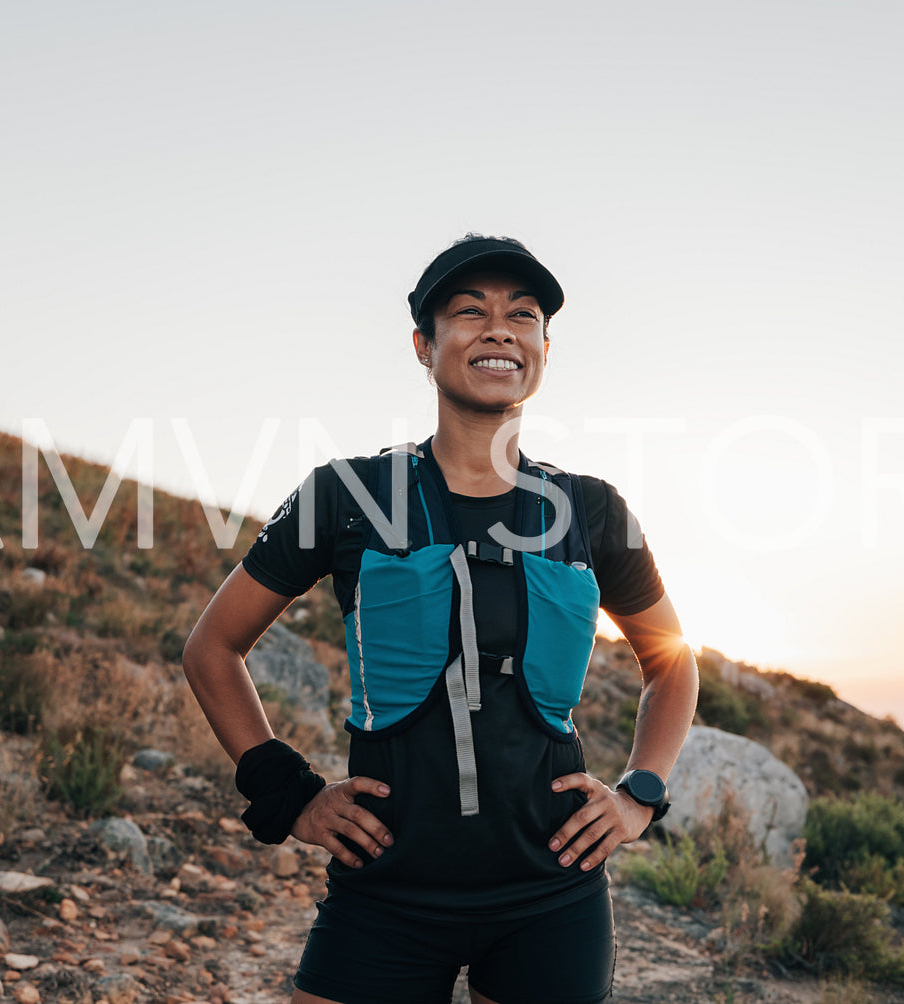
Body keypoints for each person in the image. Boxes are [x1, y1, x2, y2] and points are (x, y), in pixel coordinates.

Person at [182, 234, 700, 1004]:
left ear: (543, 350)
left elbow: (672, 663)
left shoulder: (590, 510)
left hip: (551, 896)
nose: (499, 330)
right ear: (424, 346)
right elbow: (213, 647)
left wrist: (639, 795)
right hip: (384, 892)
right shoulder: (347, 494)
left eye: (522, 316)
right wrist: (286, 792)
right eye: (470, 312)